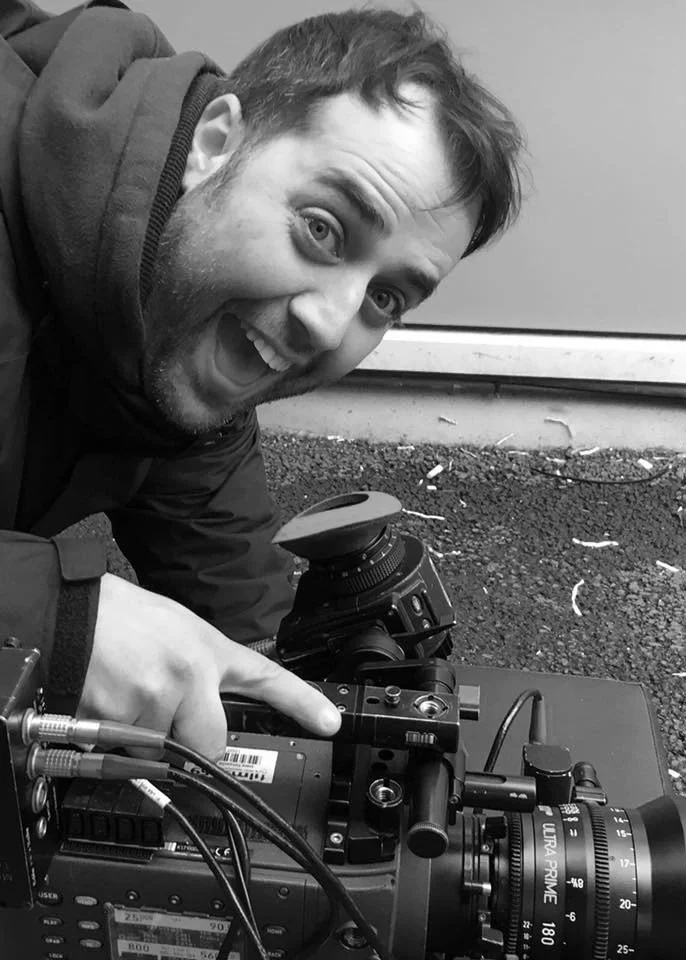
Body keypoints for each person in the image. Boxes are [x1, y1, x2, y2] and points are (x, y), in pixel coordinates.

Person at [0, 0, 524, 758]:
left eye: (384, 297)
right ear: (215, 142)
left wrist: (330, 703)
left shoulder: (187, 331)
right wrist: (47, 618)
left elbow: (246, 625)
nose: (329, 323)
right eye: (322, 228)